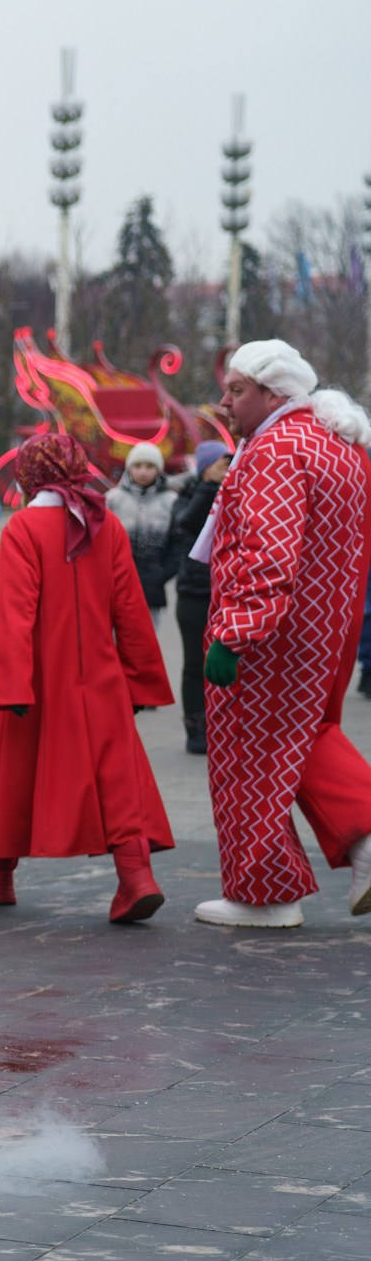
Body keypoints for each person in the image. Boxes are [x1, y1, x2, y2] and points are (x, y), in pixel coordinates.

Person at [190, 341, 371, 928]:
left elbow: (266, 554)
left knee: (248, 757)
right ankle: (359, 846)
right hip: (326, 624)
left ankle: (263, 894)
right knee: (304, 736)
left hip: (272, 633)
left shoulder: (273, 448)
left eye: (237, 390)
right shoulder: (335, 441)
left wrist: (235, 632)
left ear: (273, 392)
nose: (224, 401)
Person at [0, 431, 173, 921]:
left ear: (31, 474)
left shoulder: (24, 529)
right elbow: (131, 611)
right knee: (119, 777)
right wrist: (139, 678)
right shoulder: (108, 525)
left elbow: (15, 612)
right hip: (101, 676)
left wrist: (10, 683)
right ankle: (135, 877)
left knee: (12, 773)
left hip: (38, 681)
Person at [166, 439, 232, 755]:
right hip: (195, 591)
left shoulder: (244, 489)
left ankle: (228, 726)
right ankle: (196, 728)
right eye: (218, 463)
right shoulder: (190, 491)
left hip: (230, 592)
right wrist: (208, 486)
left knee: (229, 662)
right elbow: (186, 523)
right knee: (195, 663)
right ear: (205, 467)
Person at [104, 441, 178, 625]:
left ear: (158, 469)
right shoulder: (113, 499)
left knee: (148, 641)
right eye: (138, 466)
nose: (143, 471)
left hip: (153, 588)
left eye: (150, 466)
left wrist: (163, 573)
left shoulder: (171, 501)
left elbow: (178, 543)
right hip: (116, 585)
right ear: (129, 468)